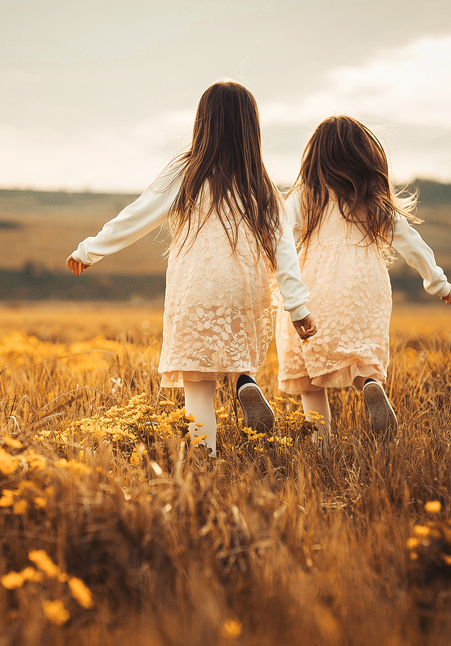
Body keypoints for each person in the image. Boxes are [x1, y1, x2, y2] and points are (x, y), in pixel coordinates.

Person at [66, 81, 317, 458]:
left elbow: (139, 213)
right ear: (251, 128)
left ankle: (206, 458)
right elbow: (284, 252)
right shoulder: (262, 185)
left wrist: (90, 249)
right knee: (238, 355)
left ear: (204, 122)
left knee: (198, 385)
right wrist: (298, 308)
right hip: (247, 292)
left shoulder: (188, 171)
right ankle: (244, 381)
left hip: (197, 289)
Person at [274, 115, 451, 445]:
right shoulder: (372, 200)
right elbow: (410, 241)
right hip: (364, 287)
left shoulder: (306, 195)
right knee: (360, 357)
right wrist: (438, 281)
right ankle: (369, 383)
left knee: (310, 377)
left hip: (316, 285)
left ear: (315, 156)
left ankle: (321, 446)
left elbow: (281, 235)